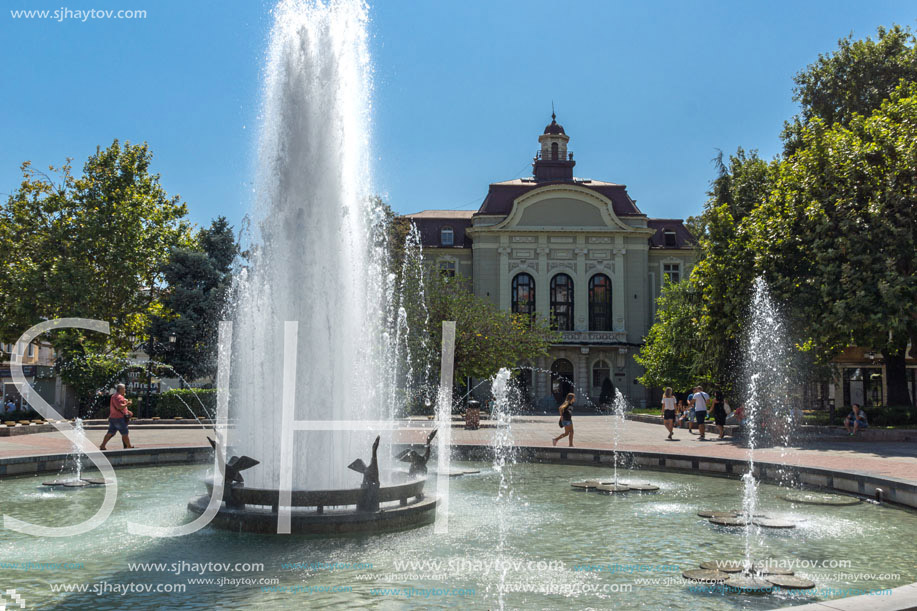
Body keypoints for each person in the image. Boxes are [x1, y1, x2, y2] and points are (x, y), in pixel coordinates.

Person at [100, 384, 133, 450]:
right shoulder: (119, 397)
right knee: (125, 433)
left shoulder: (114, 396)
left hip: (113, 417)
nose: (125, 390)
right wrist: (127, 404)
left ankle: (102, 445)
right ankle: (129, 446)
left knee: (110, 432)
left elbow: (118, 407)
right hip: (119, 418)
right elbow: (119, 407)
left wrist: (127, 411)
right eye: (124, 389)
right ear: (120, 389)